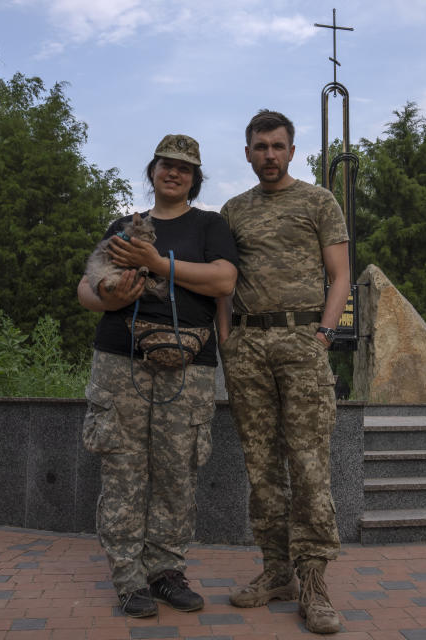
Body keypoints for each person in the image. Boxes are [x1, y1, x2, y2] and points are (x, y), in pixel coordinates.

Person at [77, 134, 238, 618]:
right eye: (166, 165)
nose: (174, 173)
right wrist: (114, 296)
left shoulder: (211, 226)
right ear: (152, 171)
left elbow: (225, 281)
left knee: (176, 472)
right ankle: (129, 579)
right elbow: (86, 289)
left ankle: (165, 571)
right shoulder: (123, 225)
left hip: (188, 365)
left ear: (195, 178)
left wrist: (155, 264)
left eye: (185, 168)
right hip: (120, 359)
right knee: (123, 468)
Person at [216, 110, 350, 634]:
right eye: (260, 147)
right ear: (247, 153)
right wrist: (228, 340)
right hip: (248, 345)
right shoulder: (232, 211)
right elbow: (225, 282)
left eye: (277, 146)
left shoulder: (319, 201)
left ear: (292, 151)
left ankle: (313, 583)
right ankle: (275, 571)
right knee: (261, 466)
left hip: (302, 342)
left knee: (310, 463)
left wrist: (323, 334)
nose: (269, 155)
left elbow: (339, 275)